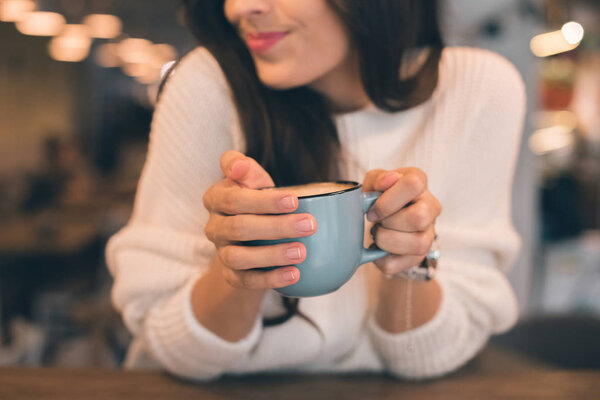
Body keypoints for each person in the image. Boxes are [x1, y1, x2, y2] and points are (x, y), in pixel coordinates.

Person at [105, 0, 525, 381]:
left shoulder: (479, 89)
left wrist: (408, 258)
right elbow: (177, 353)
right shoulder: (209, 83)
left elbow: (425, 357)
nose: (240, 8)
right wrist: (240, 268)